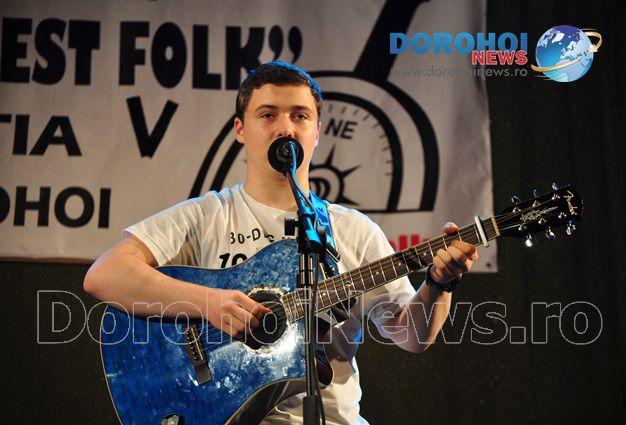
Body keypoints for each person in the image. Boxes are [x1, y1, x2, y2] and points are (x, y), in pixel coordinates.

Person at [83, 61, 478, 424]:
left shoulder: (353, 230)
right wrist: (208, 304)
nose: (285, 128)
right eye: (268, 115)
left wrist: (439, 285)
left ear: (317, 132)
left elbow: (411, 336)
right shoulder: (205, 216)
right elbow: (105, 275)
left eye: (300, 116)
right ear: (240, 129)